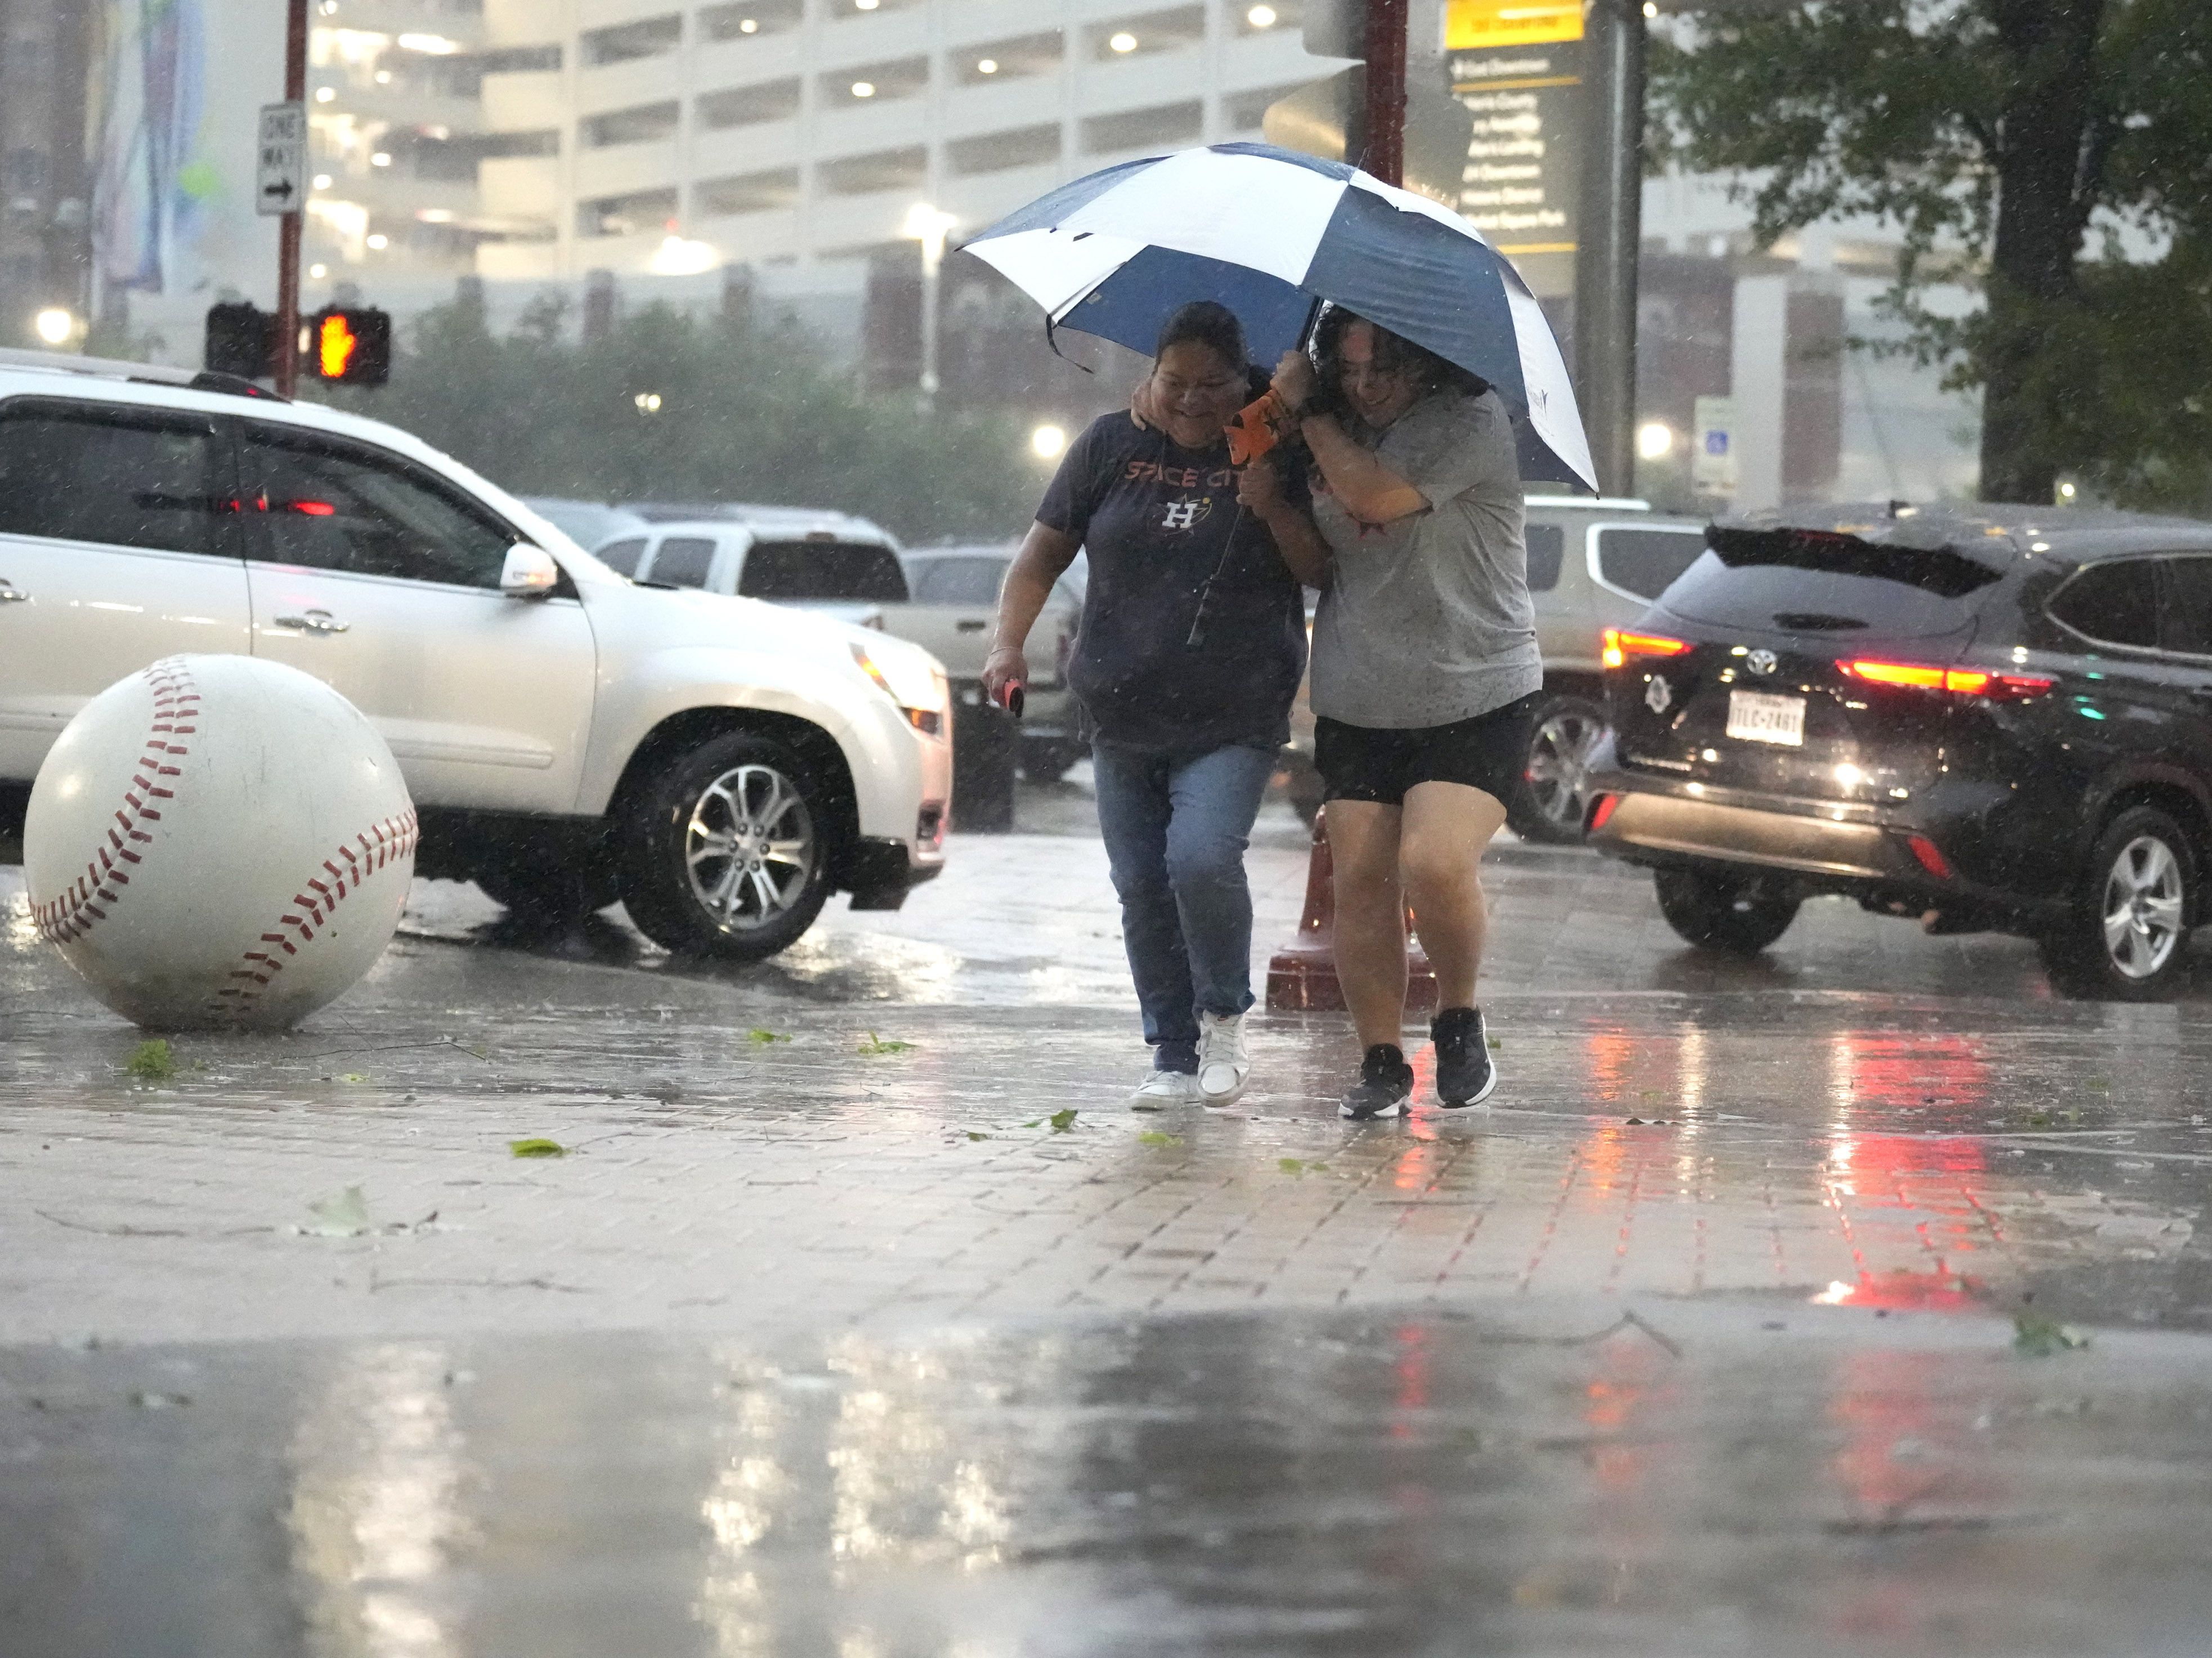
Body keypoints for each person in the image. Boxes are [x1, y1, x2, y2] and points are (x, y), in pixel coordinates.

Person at [984, 301, 1308, 1109]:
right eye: (1175, 382)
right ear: (1149, 376)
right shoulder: (1109, 445)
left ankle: (1223, 1017)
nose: (1193, 399)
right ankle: (1170, 1050)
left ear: (1246, 380)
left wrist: (1268, 497)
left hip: (1235, 707)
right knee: (1140, 884)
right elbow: (1039, 559)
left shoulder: (1275, 442)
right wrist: (1006, 645)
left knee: (1199, 857)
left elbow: (1321, 569)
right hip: (1123, 705)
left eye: (1212, 384)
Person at [1239, 308, 1539, 1120]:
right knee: (1360, 878)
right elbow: (1318, 564)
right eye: (1350, 370)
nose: (1367, 387)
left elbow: (1373, 494)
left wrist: (1309, 414)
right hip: (1361, 690)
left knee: (1435, 862)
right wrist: (1271, 496)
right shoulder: (1317, 428)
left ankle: (1457, 1014)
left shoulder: (1467, 423)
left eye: (1387, 370)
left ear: (1425, 366)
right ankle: (1377, 1057)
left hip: (1476, 684)